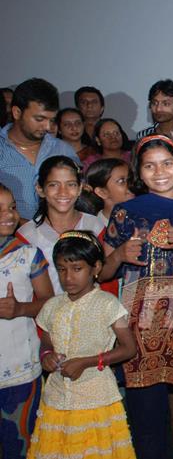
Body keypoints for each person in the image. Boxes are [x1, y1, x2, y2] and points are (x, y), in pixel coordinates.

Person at [101, 134, 173, 459]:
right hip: (140, 329)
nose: (159, 171)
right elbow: (103, 274)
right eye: (149, 165)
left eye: (167, 163)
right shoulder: (124, 213)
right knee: (147, 424)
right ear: (139, 171)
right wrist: (120, 254)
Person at [28, 231, 136, 459]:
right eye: (61, 269)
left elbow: (129, 348)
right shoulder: (52, 305)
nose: (68, 277)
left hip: (96, 399)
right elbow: (46, 339)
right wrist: (47, 354)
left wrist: (89, 362)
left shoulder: (108, 304)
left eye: (77, 269)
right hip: (57, 400)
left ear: (95, 268)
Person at [0, 183, 54, 459]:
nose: (9, 215)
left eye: (11, 207)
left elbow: (49, 302)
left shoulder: (28, 254)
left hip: (20, 369)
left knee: (20, 445)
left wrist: (19, 308)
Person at [17, 156, 104, 294]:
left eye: (71, 184)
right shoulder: (27, 235)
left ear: (80, 188)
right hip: (48, 312)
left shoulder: (95, 225)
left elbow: (104, 276)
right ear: (40, 189)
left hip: (92, 312)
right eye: (54, 185)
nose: (63, 192)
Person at [0, 78, 79, 220]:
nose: (48, 127)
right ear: (17, 112)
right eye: (39, 119)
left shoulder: (64, 150)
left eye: (52, 120)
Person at [85, 158, 135, 226]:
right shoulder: (97, 230)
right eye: (121, 181)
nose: (131, 184)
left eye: (130, 179)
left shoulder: (144, 217)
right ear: (102, 192)